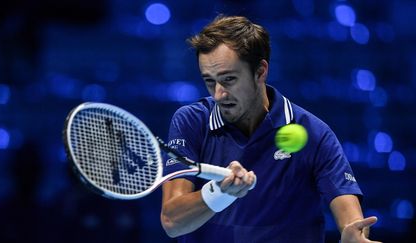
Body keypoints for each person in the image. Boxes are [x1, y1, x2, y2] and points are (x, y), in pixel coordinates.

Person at [160, 15, 380, 243]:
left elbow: (352, 221)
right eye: (209, 81)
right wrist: (220, 193)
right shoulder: (191, 122)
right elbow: (172, 222)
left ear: (260, 71)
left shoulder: (315, 134)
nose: (218, 94)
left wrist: (356, 237)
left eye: (229, 79)